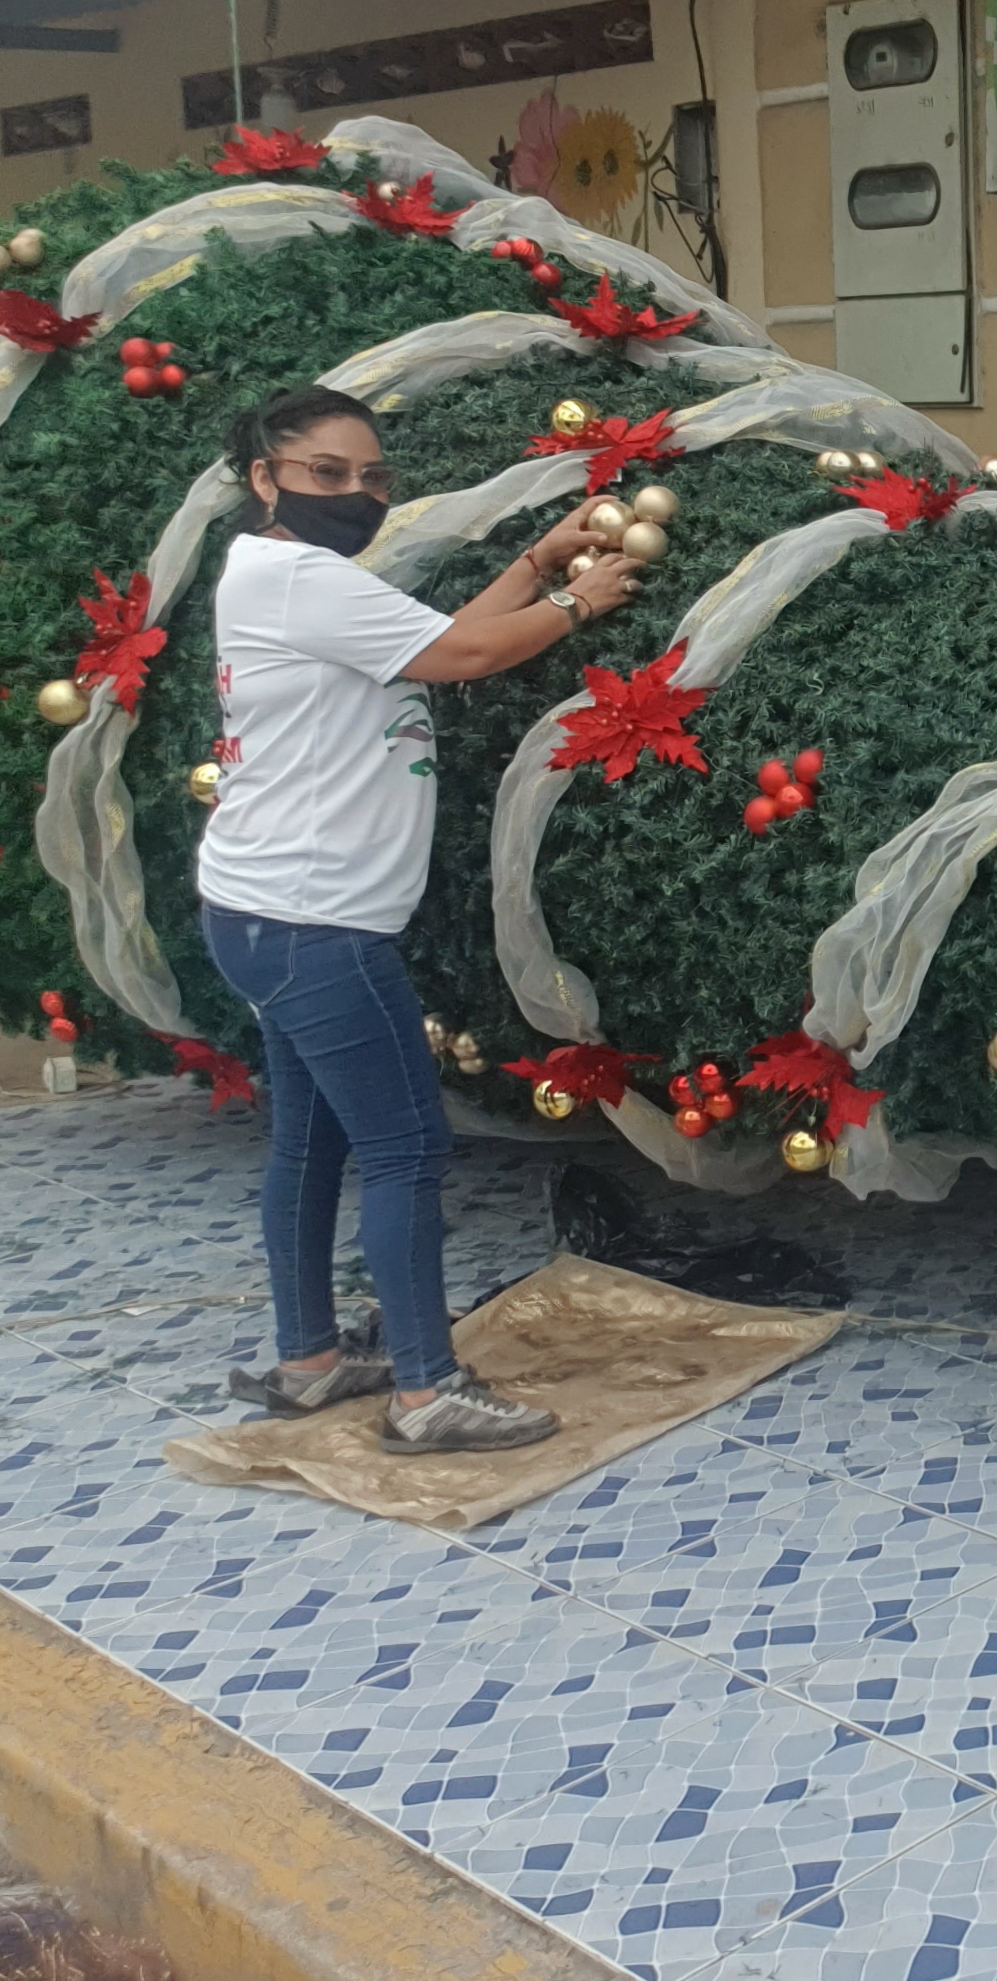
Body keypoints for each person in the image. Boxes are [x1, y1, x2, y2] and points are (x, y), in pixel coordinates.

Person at [199, 385, 639, 1455]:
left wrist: (535, 566)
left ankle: (310, 1360)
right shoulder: (301, 579)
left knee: (311, 1140)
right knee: (405, 1146)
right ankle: (426, 1392)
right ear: (264, 477)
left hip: (259, 909)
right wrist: (582, 603)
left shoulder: (280, 575)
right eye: (327, 473)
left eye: (373, 476)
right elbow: (470, 657)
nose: (356, 493)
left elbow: (437, 637)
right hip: (316, 922)